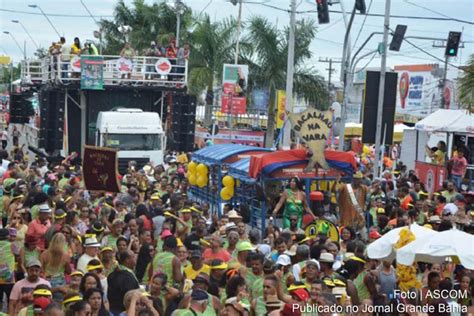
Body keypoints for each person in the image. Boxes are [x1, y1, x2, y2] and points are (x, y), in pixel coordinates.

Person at [107, 250, 140, 315]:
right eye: (133, 256)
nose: (136, 258)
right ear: (127, 260)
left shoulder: (112, 273)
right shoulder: (128, 276)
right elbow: (130, 295)